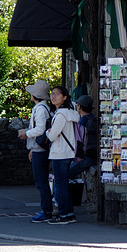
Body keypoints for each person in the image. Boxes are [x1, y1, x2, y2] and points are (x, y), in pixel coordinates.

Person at [18, 80, 53, 223]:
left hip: (40, 150)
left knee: (41, 182)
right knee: (42, 181)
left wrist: (27, 134)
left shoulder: (40, 109)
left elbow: (40, 129)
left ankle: (46, 211)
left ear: (34, 95)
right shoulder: (43, 108)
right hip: (38, 148)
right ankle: (47, 209)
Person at [47, 86, 80, 225]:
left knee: (60, 185)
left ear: (65, 97)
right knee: (63, 184)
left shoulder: (60, 115)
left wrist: (48, 132)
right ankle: (69, 213)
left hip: (59, 153)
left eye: (57, 94)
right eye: (52, 94)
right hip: (68, 152)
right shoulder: (71, 113)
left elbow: (52, 136)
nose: (53, 96)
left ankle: (65, 214)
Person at [68, 95, 98, 179]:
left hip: (86, 156)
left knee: (65, 173)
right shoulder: (92, 118)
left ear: (80, 107)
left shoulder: (83, 121)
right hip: (93, 154)